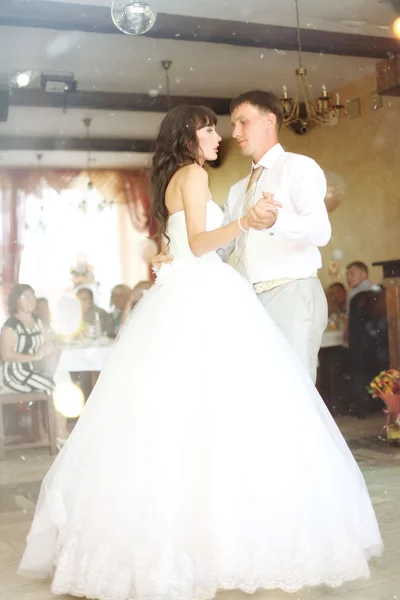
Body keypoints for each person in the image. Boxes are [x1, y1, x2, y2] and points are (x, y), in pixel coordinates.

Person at [18, 106, 382, 600]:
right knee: (224, 411)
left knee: (187, 416)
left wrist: (176, 250)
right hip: (205, 293)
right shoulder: (192, 174)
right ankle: (223, 536)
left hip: (190, 290)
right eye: (211, 129)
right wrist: (246, 223)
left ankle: (193, 533)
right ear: (190, 137)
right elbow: (200, 241)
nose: (220, 137)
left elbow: (178, 243)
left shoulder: (177, 178)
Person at [154, 90, 331, 383]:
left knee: (294, 391)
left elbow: (321, 231)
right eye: (232, 124)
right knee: (256, 394)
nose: (233, 132)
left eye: (242, 122)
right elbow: (220, 248)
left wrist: (277, 220)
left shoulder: (297, 166)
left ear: (268, 121)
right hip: (247, 303)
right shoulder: (238, 190)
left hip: (291, 292)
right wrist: (176, 255)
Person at [0, 284, 54, 394]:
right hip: (14, 374)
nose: (31, 300)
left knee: (60, 382)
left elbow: (48, 341)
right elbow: (6, 355)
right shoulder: (11, 326)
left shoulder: (38, 321)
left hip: (33, 370)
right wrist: (34, 357)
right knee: (51, 387)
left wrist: (48, 348)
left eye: (32, 295)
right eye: (25, 296)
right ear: (16, 301)